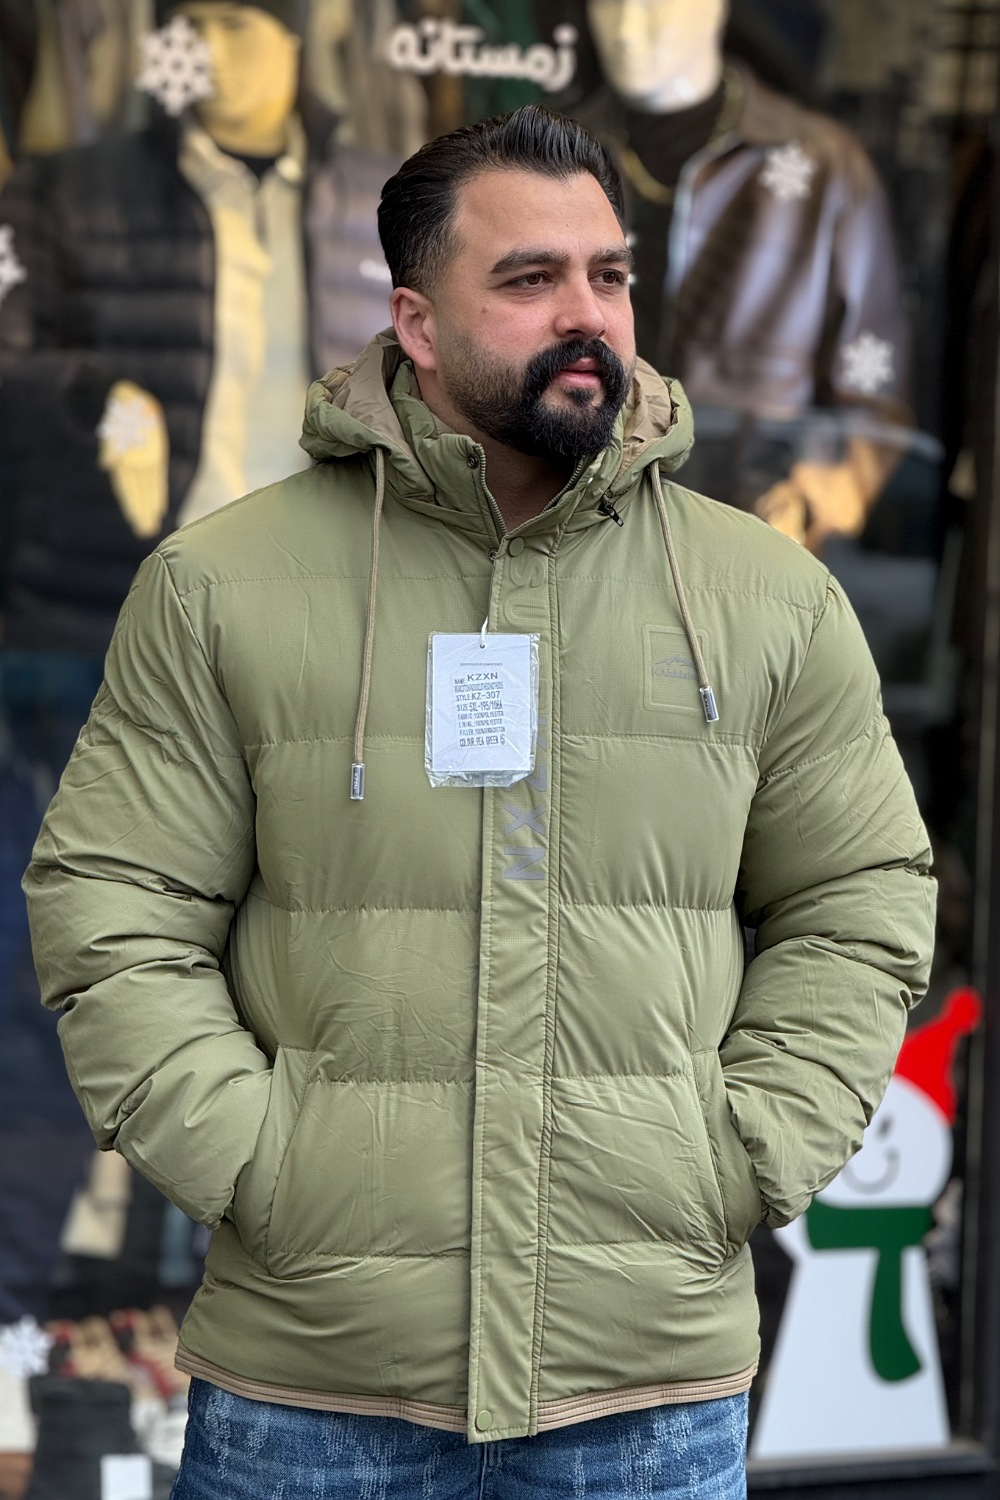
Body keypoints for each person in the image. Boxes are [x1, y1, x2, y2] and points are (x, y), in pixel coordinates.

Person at [25, 105, 936, 1497]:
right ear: (418, 323)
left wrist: (743, 1154)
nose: (587, 315)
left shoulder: (768, 599)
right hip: (312, 1385)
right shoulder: (220, 587)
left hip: (645, 1395)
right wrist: (265, 1169)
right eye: (529, 279)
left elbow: (858, 903)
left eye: (609, 275)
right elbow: (112, 908)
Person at [0, 0, 395, 1320]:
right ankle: (39, 1296)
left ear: (298, 35)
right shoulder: (85, 193)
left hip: (330, 641)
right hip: (114, 632)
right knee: (80, 956)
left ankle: (235, 1293)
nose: (208, 50)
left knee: (297, 973)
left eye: (236, 20)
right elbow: (12, 344)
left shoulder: (379, 201)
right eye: (193, 22)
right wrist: (95, 396)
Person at [575, 0, 912, 552]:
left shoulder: (821, 165)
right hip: (579, 539)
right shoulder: (552, 159)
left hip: (742, 541)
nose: (630, 29)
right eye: (611, 3)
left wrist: (808, 506)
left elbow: (874, 390)